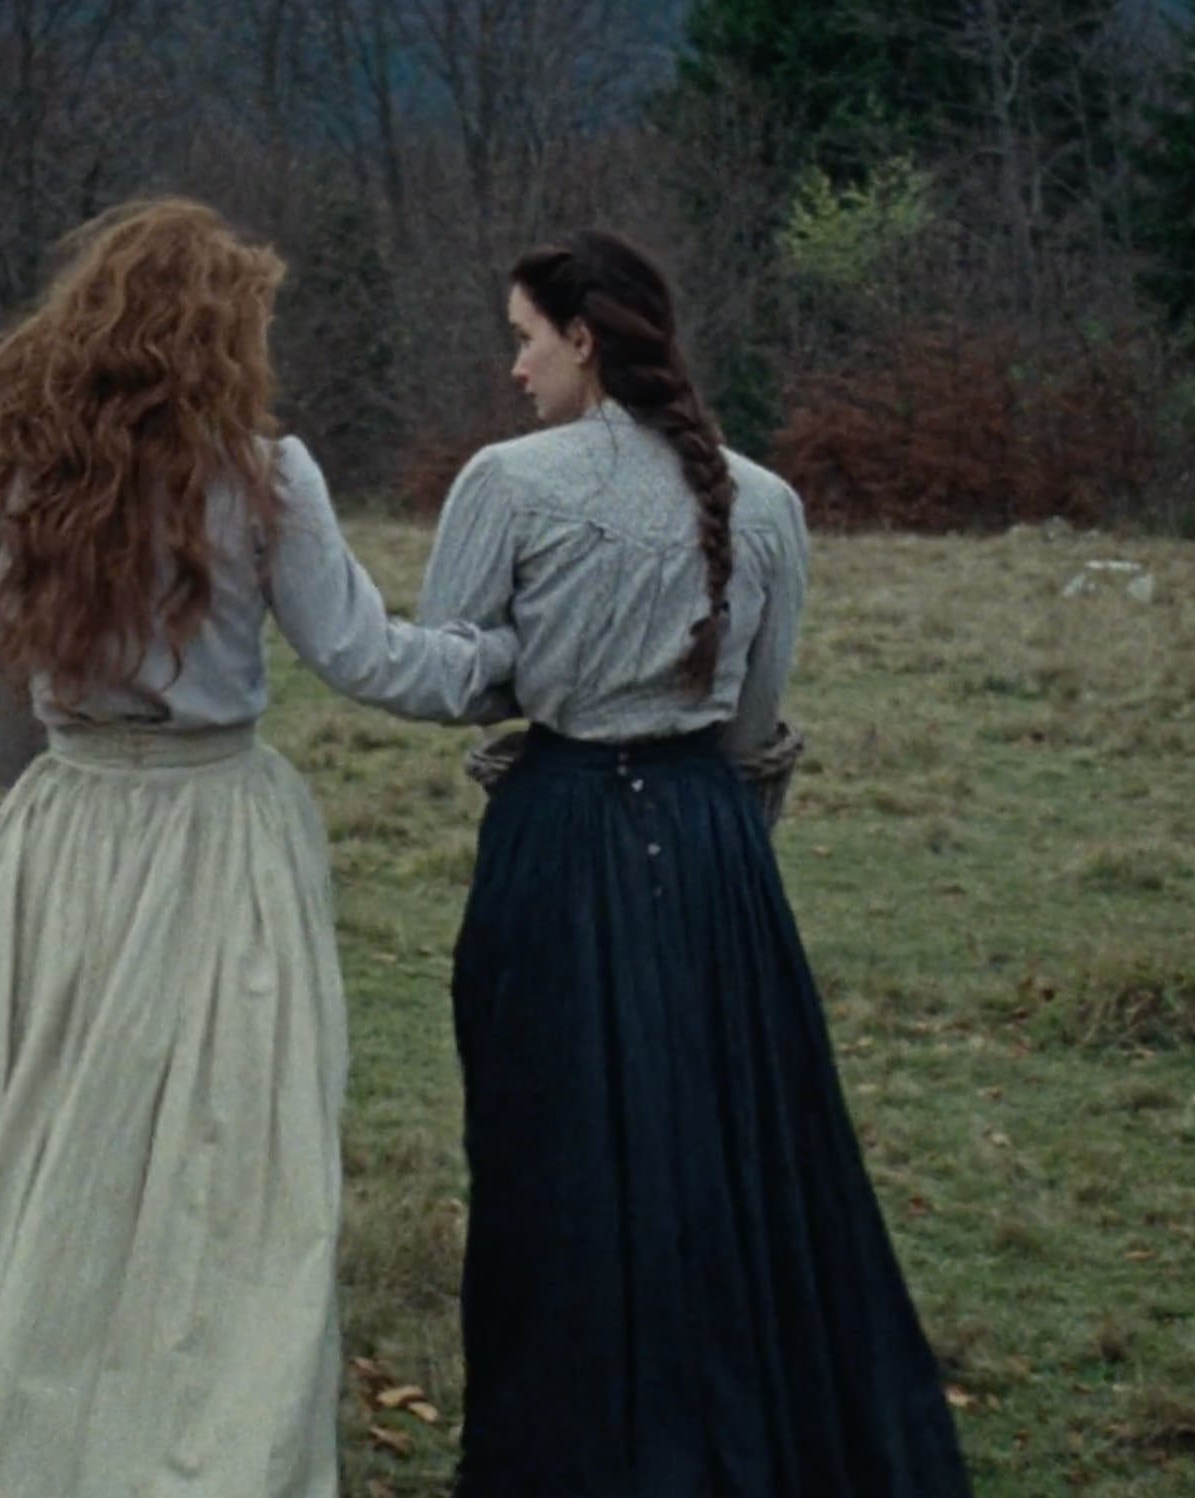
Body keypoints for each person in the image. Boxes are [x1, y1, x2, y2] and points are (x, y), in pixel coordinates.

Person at [0, 197, 515, 1498]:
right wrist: (513, 663)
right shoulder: (260, 478)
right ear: (209, 335)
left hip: (62, 834)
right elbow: (366, 657)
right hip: (218, 837)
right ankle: (205, 1447)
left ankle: (39, 1431)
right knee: (224, 1169)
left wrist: (67, 796)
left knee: (49, 1145)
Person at [417, 229, 974, 1496]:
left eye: (523, 339)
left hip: (559, 834)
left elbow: (460, 665)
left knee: (551, 1140)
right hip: (713, 847)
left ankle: (569, 1446)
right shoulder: (764, 501)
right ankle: (740, 1420)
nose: (514, 368)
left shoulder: (506, 482)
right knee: (726, 1142)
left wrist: (546, 697)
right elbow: (751, 718)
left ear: (582, 339)